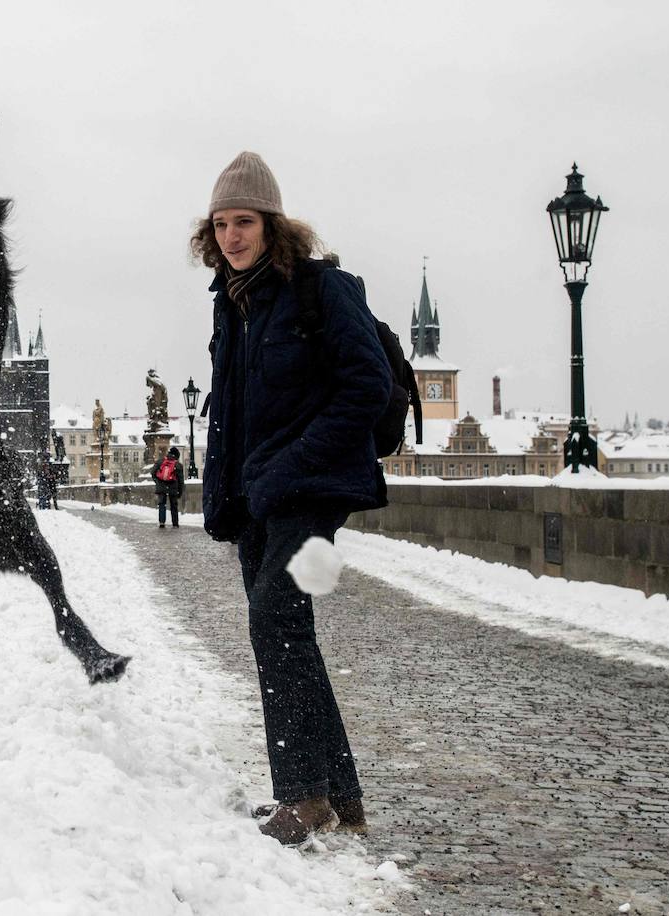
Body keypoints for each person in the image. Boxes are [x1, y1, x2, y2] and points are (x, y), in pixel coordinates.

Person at [192, 151, 391, 845]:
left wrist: (291, 466)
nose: (231, 237)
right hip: (259, 497)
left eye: (242, 222)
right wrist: (229, 491)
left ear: (271, 224)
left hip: (310, 489)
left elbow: (365, 386)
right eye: (219, 225)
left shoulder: (319, 290)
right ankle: (341, 797)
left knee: (275, 621)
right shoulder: (233, 302)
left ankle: (303, 798)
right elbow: (233, 413)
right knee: (285, 631)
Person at [150, 446, 184, 528]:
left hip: (161, 487)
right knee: (174, 506)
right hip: (173, 487)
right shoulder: (178, 465)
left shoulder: (160, 462)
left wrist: (157, 482)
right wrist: (180, 491)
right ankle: (175, 524)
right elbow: (181, 480)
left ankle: (162, 522)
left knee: (162, 504)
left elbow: (153, 472)